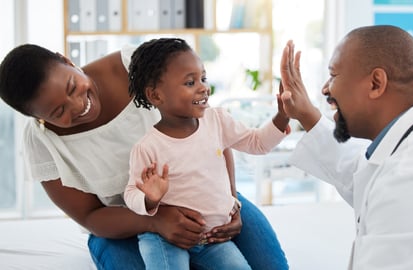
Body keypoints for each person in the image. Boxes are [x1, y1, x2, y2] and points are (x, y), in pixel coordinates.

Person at [0, 43, 289, 269]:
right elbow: (90, 216)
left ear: (67, 61)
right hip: (125, 226)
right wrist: (155, 221)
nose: (78, 105)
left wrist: (230, 202)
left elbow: (209, 127)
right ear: (37, 118)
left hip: (206, 196)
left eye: (73, 87)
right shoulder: (42, 142)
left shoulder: (136, 65)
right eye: (58, 112)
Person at [279, 25, 413, 269]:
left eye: (333, 75)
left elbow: (390, 180)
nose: (325, 89)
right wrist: (306, 114)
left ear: (376, 83)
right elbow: (362, 171)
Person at [124, 37, 290, 269]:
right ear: (156, 96)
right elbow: (131, 193)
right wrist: (150, 198)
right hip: (164, 239)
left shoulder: (217, 120)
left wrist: (282, 116)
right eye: (190, 83)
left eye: (203, 78)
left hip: (212, 239)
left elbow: (257, 143)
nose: (203, 87)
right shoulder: (148, 147)